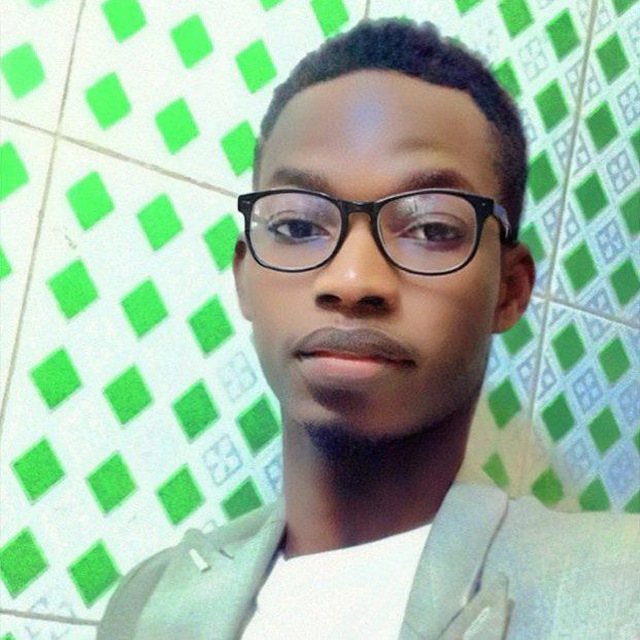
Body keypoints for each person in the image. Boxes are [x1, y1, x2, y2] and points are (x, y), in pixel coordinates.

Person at [98, 18, 639, 639]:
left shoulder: (618, 590)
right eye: (299, 226)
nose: (353, 279)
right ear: (245, 276)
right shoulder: (145, 603)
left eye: (432, 228)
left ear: (508, 291)